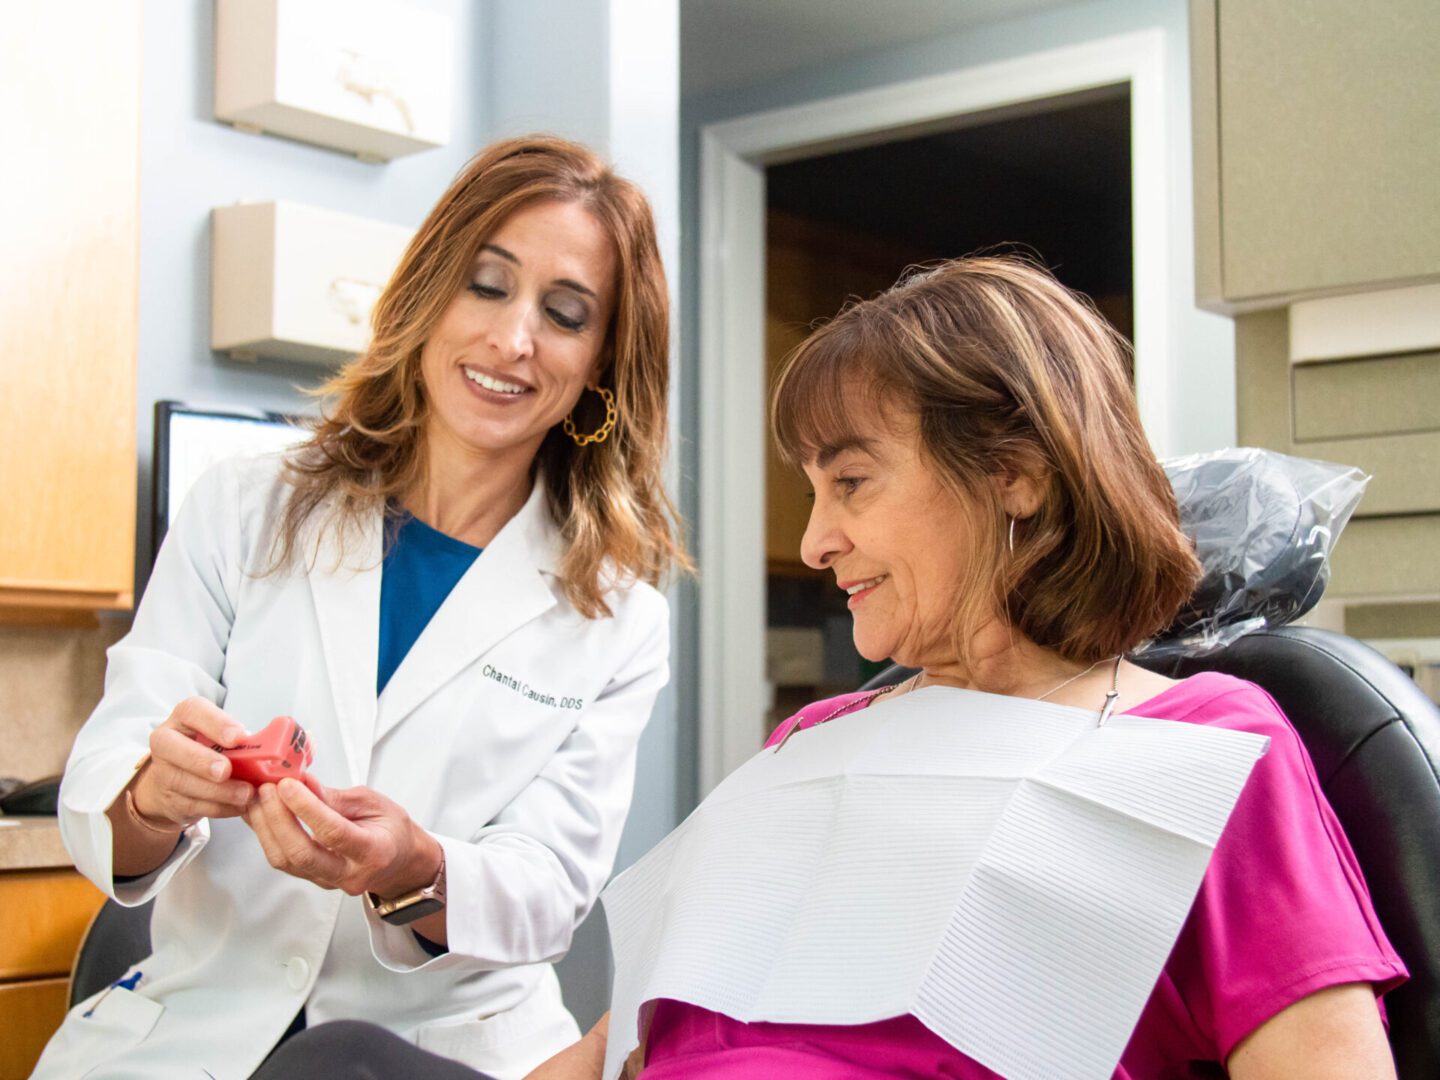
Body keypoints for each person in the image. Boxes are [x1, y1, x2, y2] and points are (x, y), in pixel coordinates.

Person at [257, 256, 1408, 1080]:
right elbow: (626, 1046)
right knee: (340, 1061)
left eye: (851, 482)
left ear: (1015, 473)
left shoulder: (1211, 751)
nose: (814, 543)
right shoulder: (816, 748)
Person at [34, 134, 686, 1080]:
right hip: (192, 1033)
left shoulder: (618, 618)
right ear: (430, 291)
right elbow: (104, 789)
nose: (513, 340)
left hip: (444, 1047)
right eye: (487, 285)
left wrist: (414, 865)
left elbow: (549, 889)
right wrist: (154, 794)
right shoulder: (244, 508)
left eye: (565, 313)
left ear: (602, 365)